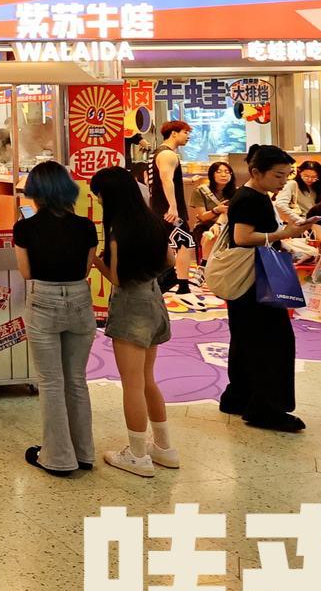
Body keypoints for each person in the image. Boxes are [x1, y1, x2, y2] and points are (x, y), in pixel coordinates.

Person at [90, 166, 181, 477]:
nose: (99, 201)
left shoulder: (119, 231)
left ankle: (138, 455)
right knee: (147, 379)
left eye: (99, 196)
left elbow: (117, 278)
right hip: (155, 301)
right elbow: (170, 260)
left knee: (132, 384)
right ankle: (164, 448)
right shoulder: (152, 222)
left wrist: (95, 261)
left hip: (130, 307)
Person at [220, 145, 316, 432]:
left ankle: (240, 396)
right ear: (256, 172)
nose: (283, 181)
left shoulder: (254, 196)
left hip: (250, 279)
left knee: (247, 340)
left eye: (286, 175)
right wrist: (284, 233)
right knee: (274, 343)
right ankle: (267, 408)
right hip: (255, 279)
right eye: (277, 175)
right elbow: (243, 237)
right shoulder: (251, 199)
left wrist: (283, 239)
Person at [13, 161, 96, 476]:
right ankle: (84, 452)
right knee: (76, 379)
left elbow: (26, 272)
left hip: (43, 300)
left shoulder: (25, 228)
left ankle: (58, 458)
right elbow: (85, 269)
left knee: (50, 382)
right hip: (79, 300)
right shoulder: (86, 226)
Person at [149, 120, 194, 290]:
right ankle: (182, 284)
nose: (188, 136)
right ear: (174, 133)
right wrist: (173, 206)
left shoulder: (157, 153)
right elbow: (166, 179)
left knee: (168, 243)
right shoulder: (168, 154)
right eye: (185, 132)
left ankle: (169, 280)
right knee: (184, 242)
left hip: (158, 207)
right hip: (168, 209)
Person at [191, 160, 237, 255]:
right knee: (210, 237)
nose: (223, 175)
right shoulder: (201, 191)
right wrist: (216, 210)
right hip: (206, 226)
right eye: (219, 172)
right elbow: (202, 217)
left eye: (227, 172)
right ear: (212, 175)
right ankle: (206, 262)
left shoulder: (237, 192)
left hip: (230, 226)